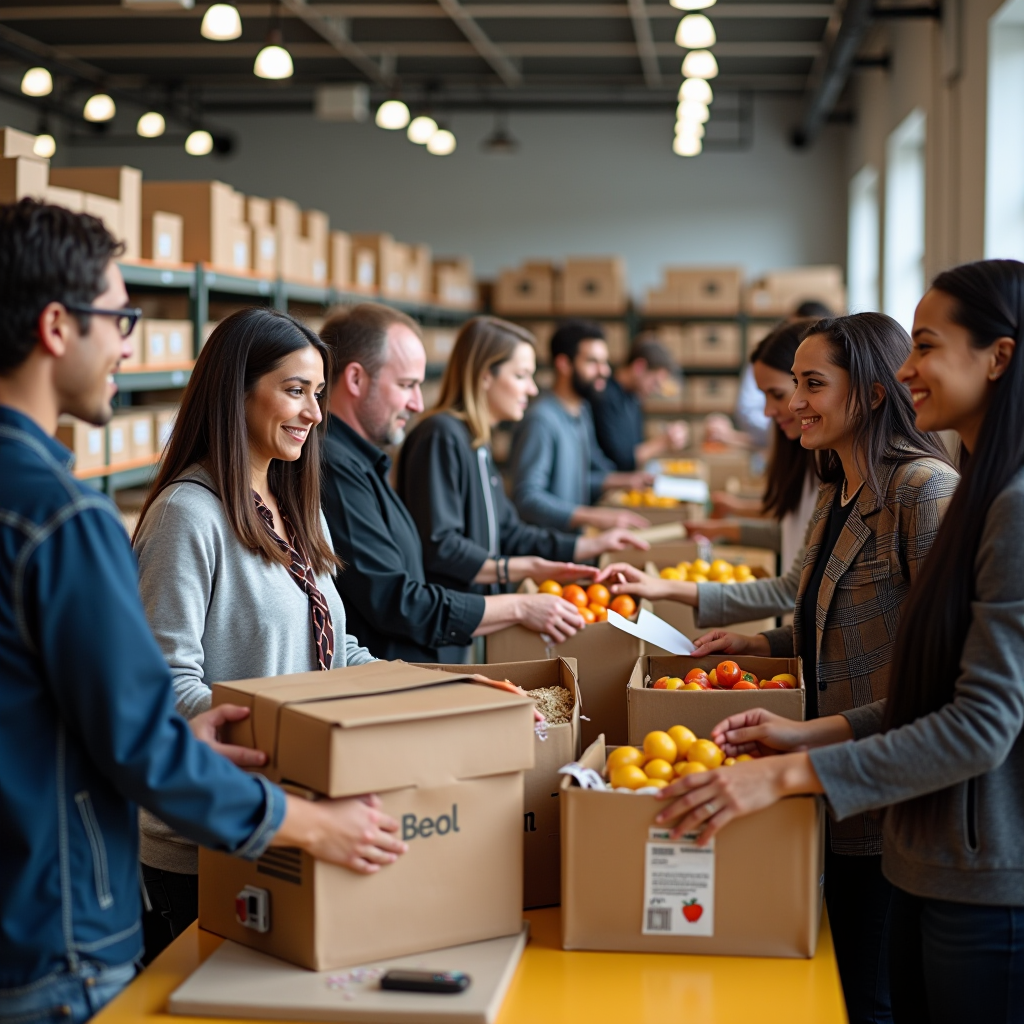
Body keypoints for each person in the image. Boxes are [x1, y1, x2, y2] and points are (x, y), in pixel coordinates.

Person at [0, 200, 405, 1023]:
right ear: (54, 326)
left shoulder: (296, 504)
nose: (126, 341)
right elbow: (143, 733)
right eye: (119, 317)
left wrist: (444, 690)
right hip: (73, 917)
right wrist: (307, 824)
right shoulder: (72, 520)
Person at [657, 260, 1024, 1024]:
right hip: (916, 841)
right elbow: (921, 677)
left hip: (966, 852)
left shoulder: (945, 495)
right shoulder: (949, 492)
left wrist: (793, 771)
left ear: (999, 356)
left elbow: (976, 718)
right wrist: (802, 730)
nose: (909, 368)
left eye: (925, 346)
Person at [130, 307, 378, 962]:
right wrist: (287, 728)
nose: (314, 413)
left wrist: (442, 694)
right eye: (295, 390)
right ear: (235, 389)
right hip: (205, 842)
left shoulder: (296, 506)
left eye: (318, 394)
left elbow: (336, 653)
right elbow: (164, 688)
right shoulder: (187, 516)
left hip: (294, 818)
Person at [318, 304, 600, 663]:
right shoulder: (341, 464)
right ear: (356, 379)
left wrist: (575, 549)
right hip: (396, 676)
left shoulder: (368, 460)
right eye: (407, 385)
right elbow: (399, 596)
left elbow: (506, 530)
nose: (418, 403)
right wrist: (518, 604)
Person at [395, 316, 649, 659]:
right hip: (442, 635)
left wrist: (587, 546)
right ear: (485, 374)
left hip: (473, 624)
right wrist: (525, 569)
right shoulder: (441, 435)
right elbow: (442, 546)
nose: (531, 389)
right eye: (520, 376)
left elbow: (510, 531)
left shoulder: (477, 441)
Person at [602, 318, 821, 624]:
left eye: (777, 394)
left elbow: (790, 586)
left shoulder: (832, 475)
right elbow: (790, 533)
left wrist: (666, 587)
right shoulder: (804, 460)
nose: (767, 411)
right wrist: (723, 528)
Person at [510, 319, 653, 531]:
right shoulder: (541, 420)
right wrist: (592, 516)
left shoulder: (581, 411)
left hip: (576, 542)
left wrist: (627, 480)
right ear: (564, 364)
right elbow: (528, 499)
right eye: (593, 362)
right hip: (549, 554)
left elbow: (578, 479)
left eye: (604, 362)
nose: (604, 371)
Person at [590, 333, 689, 472]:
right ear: (639, 367)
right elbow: (622, 460)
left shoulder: (633, 398)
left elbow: (636, 447)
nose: (654, 390)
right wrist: (663, 442)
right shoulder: (604, 397)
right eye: (655, 382)